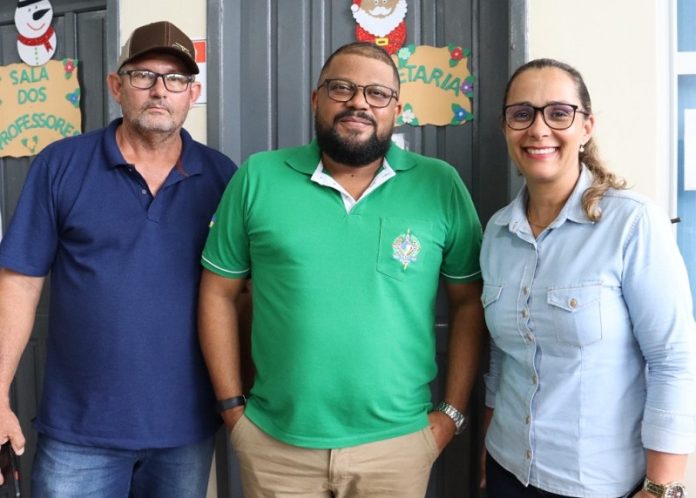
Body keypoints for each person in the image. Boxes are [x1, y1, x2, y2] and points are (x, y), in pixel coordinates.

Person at [198, 41, 485, 498]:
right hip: (276, 447)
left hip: (397, 447)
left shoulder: (439, 184)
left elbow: (469, 302)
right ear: (316, 99)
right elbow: (218, 292)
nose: (358, 103)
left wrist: (450, 414)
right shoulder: (257, 177)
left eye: (377, 93)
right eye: (342, 88)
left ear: (396, 109)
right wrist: (233, 409)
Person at [0, 20, 237, 497]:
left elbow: (240, 294)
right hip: (79, 432)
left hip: (185, 429)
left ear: (192, 93)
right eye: (143, 75)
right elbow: (19, 283)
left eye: (175, 79)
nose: (159, 90)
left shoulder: (222, 177)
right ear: (117, 86)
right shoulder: (60, 164)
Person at [480, 58, 696, 498]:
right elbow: (503, 359)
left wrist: (662, 487)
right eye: (522, 114)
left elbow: (673, 359)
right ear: (505, 127)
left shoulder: (633, 223)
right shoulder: (498, 231)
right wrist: (485, 456)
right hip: (506, 468)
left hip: (595, 483)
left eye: (559, 113)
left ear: (586, 126)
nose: (539, 129)